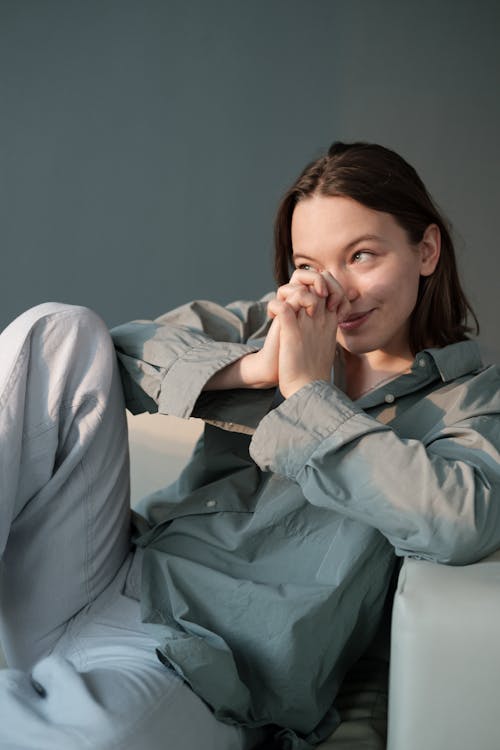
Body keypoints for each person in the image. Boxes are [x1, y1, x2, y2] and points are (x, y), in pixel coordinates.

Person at [0, 141, 499, 750]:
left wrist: (309, 393)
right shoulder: (271, 326)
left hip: (205, 662)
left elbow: (459, 521)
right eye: (310, 265)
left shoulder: (473, 401)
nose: (335, 292)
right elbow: (113, 353)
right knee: (59, 329)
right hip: (103, 577)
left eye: (362, 255)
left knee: (84, 738)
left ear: (425, 250)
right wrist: (257, 369)